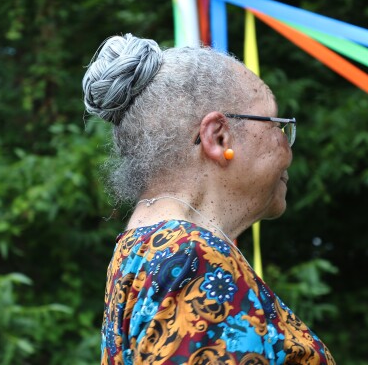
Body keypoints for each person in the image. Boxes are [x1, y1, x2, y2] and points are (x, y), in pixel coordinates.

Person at [83, 34, 335, 365]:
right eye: (276, 125)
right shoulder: (191, 259)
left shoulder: (145, 249)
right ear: (218, 136)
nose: (286, 147)